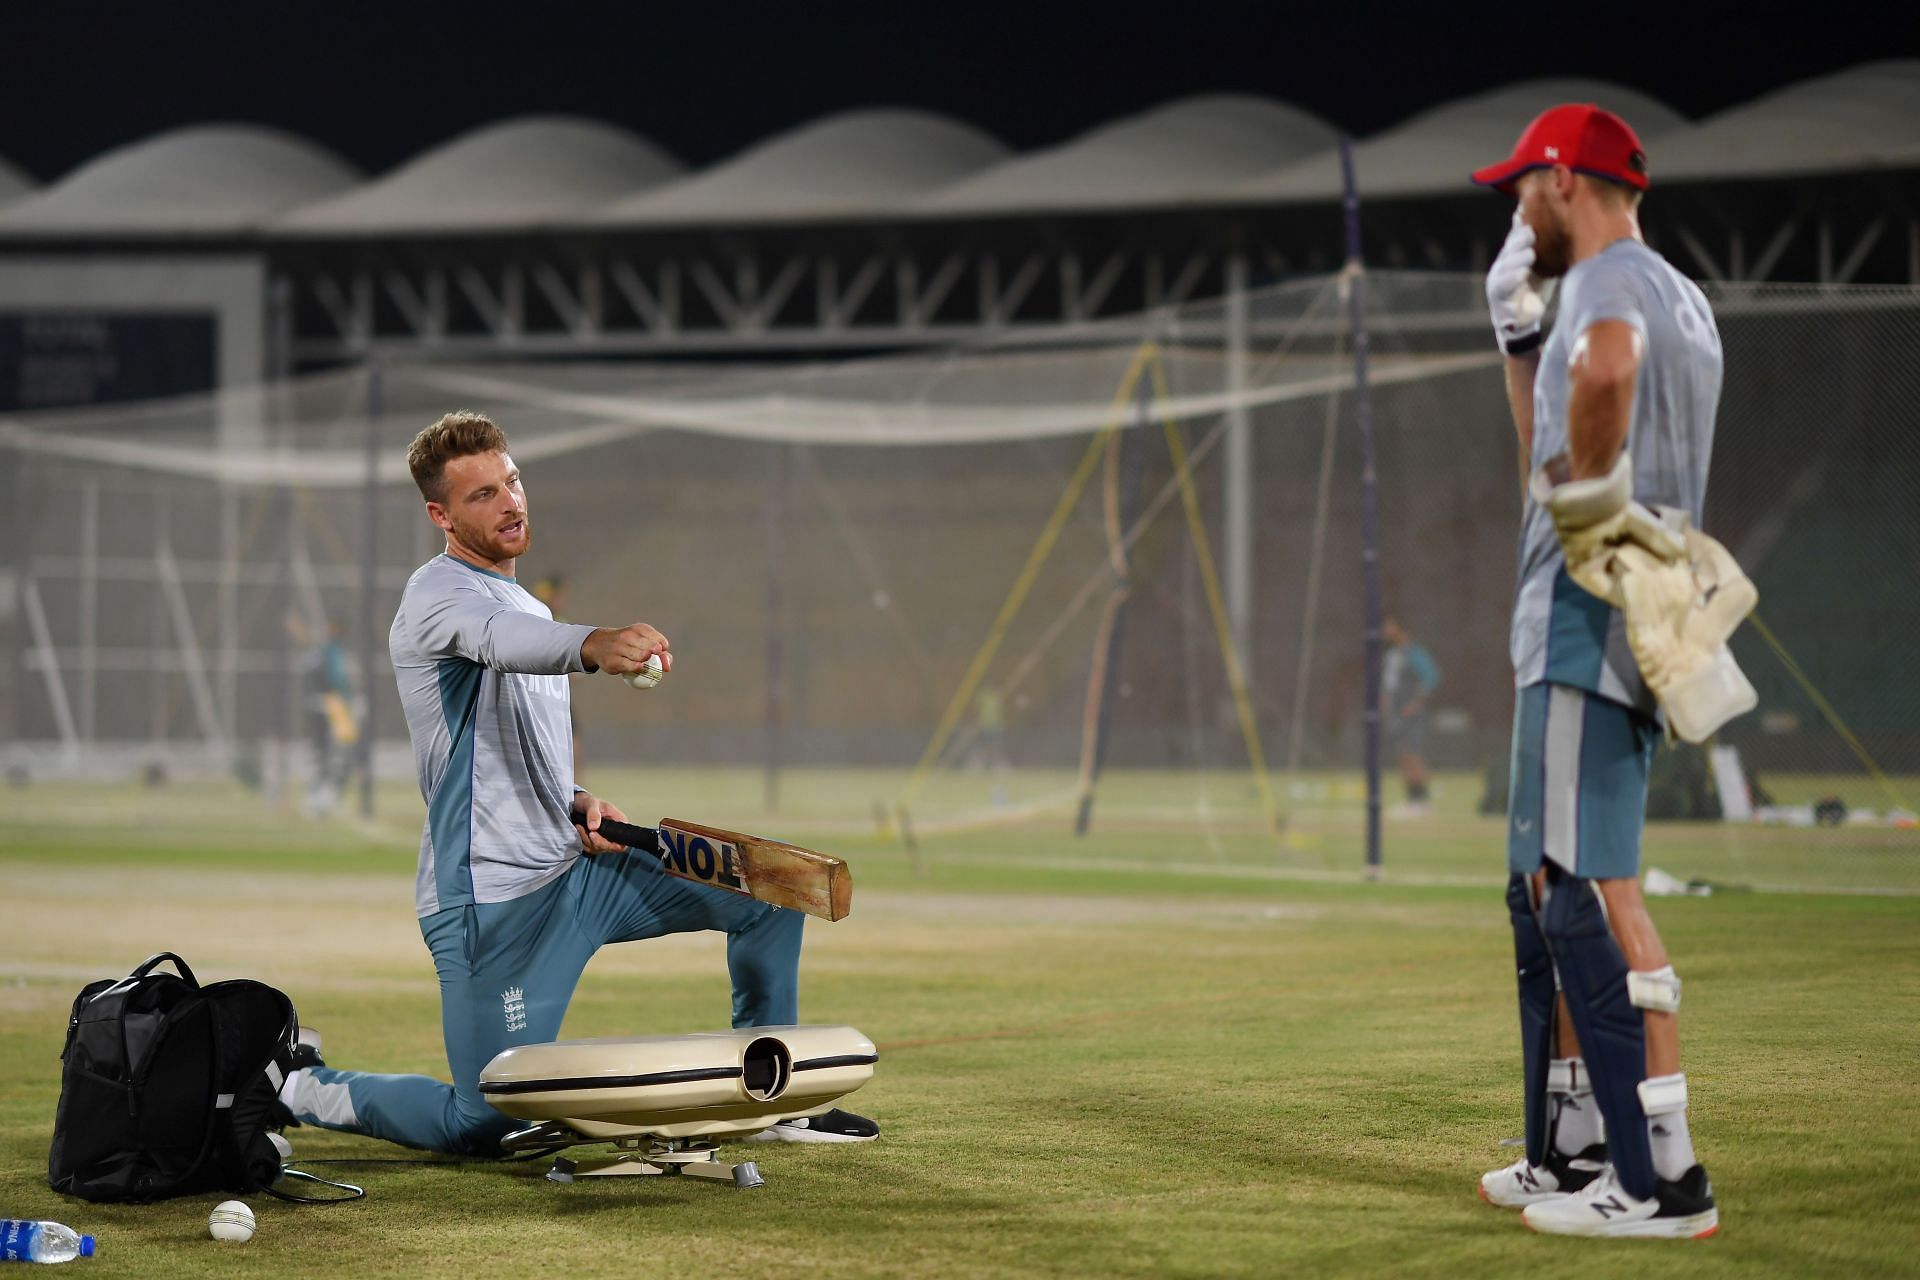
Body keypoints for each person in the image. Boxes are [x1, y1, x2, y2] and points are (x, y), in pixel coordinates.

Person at [273, 411, 877, 1153]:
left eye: (514, 481)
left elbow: (512, 750)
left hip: (574, 871)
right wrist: (594, 644)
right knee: (484, 1124)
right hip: (494, 906)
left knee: (767, 888)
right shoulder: (436, 598)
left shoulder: (526, 602)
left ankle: (771, 1100)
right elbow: (503, 644)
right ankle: (298, 1083)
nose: (510, 502)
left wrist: (574, 801)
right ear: (441, 515)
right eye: (483, 494)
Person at [1470, 105, 1721, 1237]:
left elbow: (1603, 381)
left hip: (1587, 608)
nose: (1517, 213)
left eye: (1523, 189)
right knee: (1546, 891)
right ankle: (1574, 1149)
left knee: (1582, 887)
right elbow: (1546, 457)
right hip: (1619, 608)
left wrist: (1585, 491)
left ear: (1563, 179)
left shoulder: (1610, 283)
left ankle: (1655, 1173)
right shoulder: (1684, 292)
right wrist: (1522, 348)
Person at [1380, 617, 1440, 815]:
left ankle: (1422, 799)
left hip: (1411, 713)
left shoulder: (1415, 654)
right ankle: (1411, 799)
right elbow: (1389, 685)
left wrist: (1415, 704)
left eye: (1390, 626)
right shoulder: (1391, 655)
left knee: (1413, 754)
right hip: (1395, 713)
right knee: (1403, 755)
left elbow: (1431, 679)